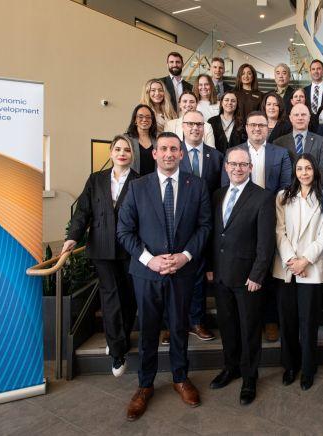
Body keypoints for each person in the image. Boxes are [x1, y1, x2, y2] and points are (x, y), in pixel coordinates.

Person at [117, 132, 212, 420]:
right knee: (148, 330)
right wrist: (150, 260)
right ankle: (145, 385)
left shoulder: (197, 185)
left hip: (183, 272)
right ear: (155, 154)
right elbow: (124, 231)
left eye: (174, 149)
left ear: (181, 154)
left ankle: (180, 378)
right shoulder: (137, 187)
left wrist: (185, 256)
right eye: (163, 149)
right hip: (147, 273)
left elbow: (205, 227)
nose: (169, 153)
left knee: (180, 327)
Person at [64, 134, 138, 378]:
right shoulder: (96, 179)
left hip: (130, 249)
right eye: (118, 149)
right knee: (111, 296)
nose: (122, 153)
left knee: (129, 298)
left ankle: (119, 337)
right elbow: (82, 211)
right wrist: (72, 237)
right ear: (111, 152)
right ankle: (117, 351)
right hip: (102, 247)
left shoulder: (140, 181)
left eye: (127, 150)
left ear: (132, 155)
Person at [207, 146, 276, 406]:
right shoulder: (217, 195)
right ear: (226, 167)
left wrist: (258, 274)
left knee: (249, 329)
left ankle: (249, 377)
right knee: (227, 326)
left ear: (250, 168)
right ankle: (231, 367)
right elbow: (215, 235)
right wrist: (210, 267)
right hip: (221, 275)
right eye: (233, 164)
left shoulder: (263, 197)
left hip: (248, 278)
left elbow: (266, 242)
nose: (238, 168)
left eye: (243, 164)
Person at [230, 111, 292, 342]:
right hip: (241, 220)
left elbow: (286, 186)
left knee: (269, 269)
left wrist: (266, 209)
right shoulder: (234, 152)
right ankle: (245, 320)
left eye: (262, 125)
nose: (257, 129)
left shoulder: (280, 153)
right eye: (253, 125)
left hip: (271, 216)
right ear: (246, 127)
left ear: (268, 128)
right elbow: (228, 187)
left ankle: (270, 320)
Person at [272, 153, 323, 391]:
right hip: (286, 266)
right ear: (294, 172)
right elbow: (279, 231)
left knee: (309, 322)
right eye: (299, 168)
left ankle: (308, 369)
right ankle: (290, 366)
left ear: (315, 171)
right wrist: (292, 261)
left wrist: (305, 261)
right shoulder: (283, 196)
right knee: (287, 321)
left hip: (312, 267)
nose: (304, 173)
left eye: (308, 168)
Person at [179, 110, 224, 342]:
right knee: (174, 275)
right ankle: (172, 324)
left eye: (199, 124)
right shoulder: (173, 152)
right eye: (190, 124)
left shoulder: (216, 156)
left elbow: (221, 190)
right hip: (177, 222)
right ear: (183, 126)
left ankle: (196, 321)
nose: (195, 128)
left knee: (198, 273)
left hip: (206, 223)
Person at [274, 103, 323, 187]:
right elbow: (277, 172)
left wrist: (308, 188)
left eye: (303, 114)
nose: (300, 118)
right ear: (290, 118)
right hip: (287, 190)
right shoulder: (278, 143)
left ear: (309, 118)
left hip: (313, 190)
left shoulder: (321, 142)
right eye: (296, 115)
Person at [124, 104, 158, 177]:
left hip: (152, 181)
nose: (144, 119)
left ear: (152, 120)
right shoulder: (126, 139)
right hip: (132, 181)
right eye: (140, 116)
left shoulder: (157, 140)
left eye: (148, 117)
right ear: (135, 120)